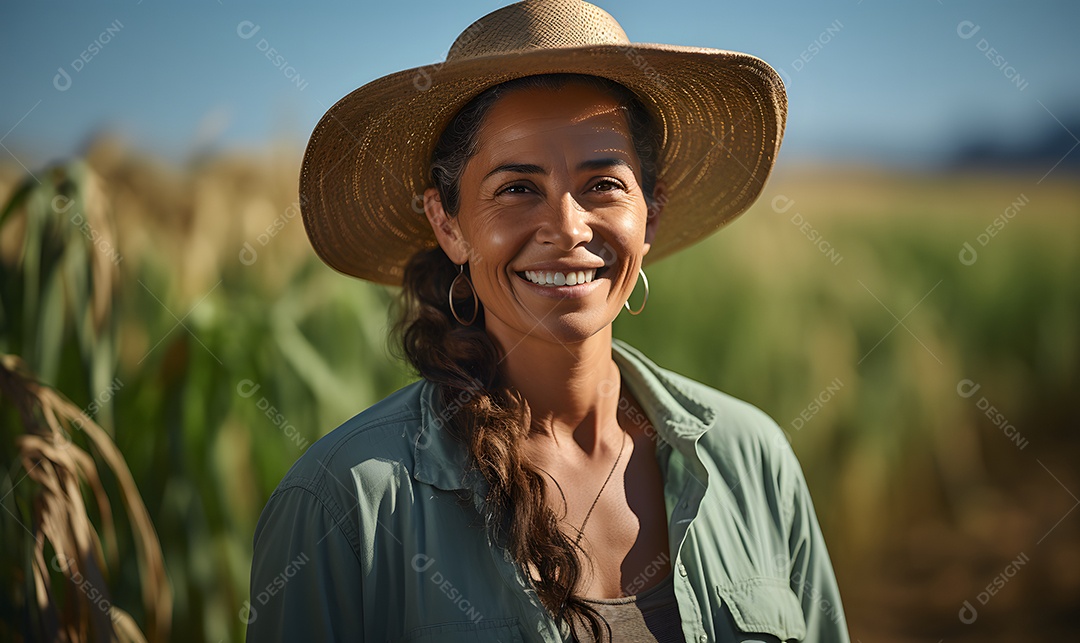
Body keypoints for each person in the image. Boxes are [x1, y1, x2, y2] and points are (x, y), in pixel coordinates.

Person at [247, 1, 849, 641]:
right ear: (448, 223)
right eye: (517, 188)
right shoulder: (344, 504)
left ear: (652, 214)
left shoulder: (750, 459)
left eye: (603, 185)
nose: (566, 227)